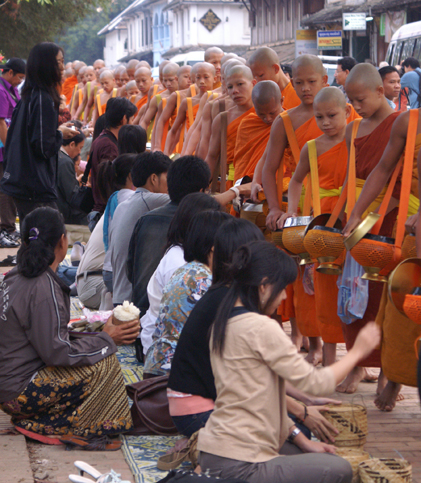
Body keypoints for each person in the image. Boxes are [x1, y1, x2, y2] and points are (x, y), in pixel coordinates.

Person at [197, 241, 381, 483]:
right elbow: (315, 383)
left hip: (213, 452)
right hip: (240, 462)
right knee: (339, 468)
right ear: (263, 286)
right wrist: (357, 352)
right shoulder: (261, 327)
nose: (284, 296)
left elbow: (262, 398)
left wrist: (302, 441)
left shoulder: (222, 323)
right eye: (282, 288)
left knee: (307, 451)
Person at [0, 207, 140, 445]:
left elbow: (48, 338)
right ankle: (61, 425)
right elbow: (57, 352)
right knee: (104, 362)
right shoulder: (43, 287)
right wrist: (107, 339)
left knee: (98, 349)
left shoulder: (15, 275)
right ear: (62, 241)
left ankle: (47, 418)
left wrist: (97, 335)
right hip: (19, 393)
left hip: (8, 387)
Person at [343, 108, 421, 409]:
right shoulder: (409, 122)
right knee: (404, 305)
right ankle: (393, 377)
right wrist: (356, 213)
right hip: (411, 226)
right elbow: (384, 168)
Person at [336, 63, 400, 394]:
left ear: (379, 91)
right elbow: (351, 175)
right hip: (358, 215)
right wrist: (346, 213)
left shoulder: (401, 124)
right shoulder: (353, 129)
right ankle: (357, 365)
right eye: (351, 100)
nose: (356, 107)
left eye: (360, 100)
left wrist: (378, 211)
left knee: (386, 296)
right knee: (352, 291)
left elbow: (397, 174)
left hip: (390, 216)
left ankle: (389, 369)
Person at [280, 87, 351, 366]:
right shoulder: (313, 147)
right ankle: (328, 357)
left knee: (354, 288)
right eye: (319, 117)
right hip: (321, 223)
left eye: (332, 115)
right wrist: (291, 210)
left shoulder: (357, 140)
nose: (325, 123)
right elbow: (296, 180)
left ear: (347, 112)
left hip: (350, 219)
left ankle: (357, 363)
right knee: (322, 290)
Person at [143, 210, 231, 378]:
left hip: (159, 365)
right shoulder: (203, 279)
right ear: (215, 246)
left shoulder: (187, 270)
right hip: (176, 374)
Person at [0, 43, 76, 223]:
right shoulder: (43, 98)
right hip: (35, 186)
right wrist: (60, 134)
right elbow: (43, 147)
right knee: (49, 234)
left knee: (33, 236)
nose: (62, 68)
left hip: (25, 182)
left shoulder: (30, 95)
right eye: (59, 62)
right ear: (46, 65)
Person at [127, 155, 211, 313]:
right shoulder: (201, 225)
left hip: (138, 311)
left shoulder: (146, 219)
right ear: (202, 191)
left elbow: (130, 271)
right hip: (173, 315)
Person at [110, 152, 171, 307]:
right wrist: (231, 192)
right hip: (132, 300)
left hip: (118, 294)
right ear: (154, 179)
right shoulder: (150, 200)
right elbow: (195, 202)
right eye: (168, 178)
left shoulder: (123, 204)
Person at [205, 65, 255, 186]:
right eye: (230, 87)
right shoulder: (222, 119)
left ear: (253, 83)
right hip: (232, 183)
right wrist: (200, 185)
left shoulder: (267, 114)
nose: (235, 91)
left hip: (263, 182)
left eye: (240, 84)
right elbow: (212, 156)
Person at [89, 97, 137, 216]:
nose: (133, 123)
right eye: (132, 119)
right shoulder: (109, 146)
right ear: (124, 119)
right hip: (106, 210)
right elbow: (109, 181)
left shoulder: (102, 138)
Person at [99, 154, 137, 294]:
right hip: (118, 273)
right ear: (131, 176)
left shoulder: (115, 197)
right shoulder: (132, 198)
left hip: (108, 270)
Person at [0, 57, 25, 246]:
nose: (20, 81)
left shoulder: (12, 89)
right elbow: (1, 123)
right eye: (19, 77)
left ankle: (8, 227)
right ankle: (6, 228)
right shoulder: (1, 91)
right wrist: (10, 150)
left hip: (9, 144)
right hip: (3, 149)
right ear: (10, 73)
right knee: (5, 188)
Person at [164, 63, 216, 155]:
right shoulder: (188, 102)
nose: (202, 81)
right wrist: (166, 153)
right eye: (198, 78)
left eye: (206, 77)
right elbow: (174, 130)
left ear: (214, 79)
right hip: (190, 149)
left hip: (211, 151)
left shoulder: (218, 99)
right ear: (193, 79)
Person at [56, 128, 90, 241]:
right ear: (71, 144)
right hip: (65, 214)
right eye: (80, 148)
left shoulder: (56, 155)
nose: (80, 152)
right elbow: (72, 195)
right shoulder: (65, 161)